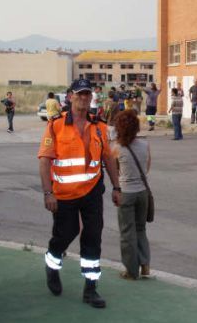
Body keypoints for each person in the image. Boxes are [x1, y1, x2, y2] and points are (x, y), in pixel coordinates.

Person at [38, 78, 120, 309]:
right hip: (63, 195)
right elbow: (44, 161)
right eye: (80, 94)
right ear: (70, 96)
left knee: (93, 236)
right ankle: (52, 265)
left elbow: (109, 159)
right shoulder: (55, 125)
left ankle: (90, 289)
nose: (84, 98)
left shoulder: (99, 126)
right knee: (65, 234)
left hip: (92, 192)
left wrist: (117, 187)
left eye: (87, 94)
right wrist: (48, 193)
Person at [111, 110, 152, 280]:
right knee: (140, 228)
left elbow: (115, 171)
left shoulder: (116, 149)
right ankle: (145, 264)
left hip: (126, 193)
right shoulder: (145, 145)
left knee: (127, 232)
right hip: (143, 192)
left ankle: (131, 270)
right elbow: (147, 167)